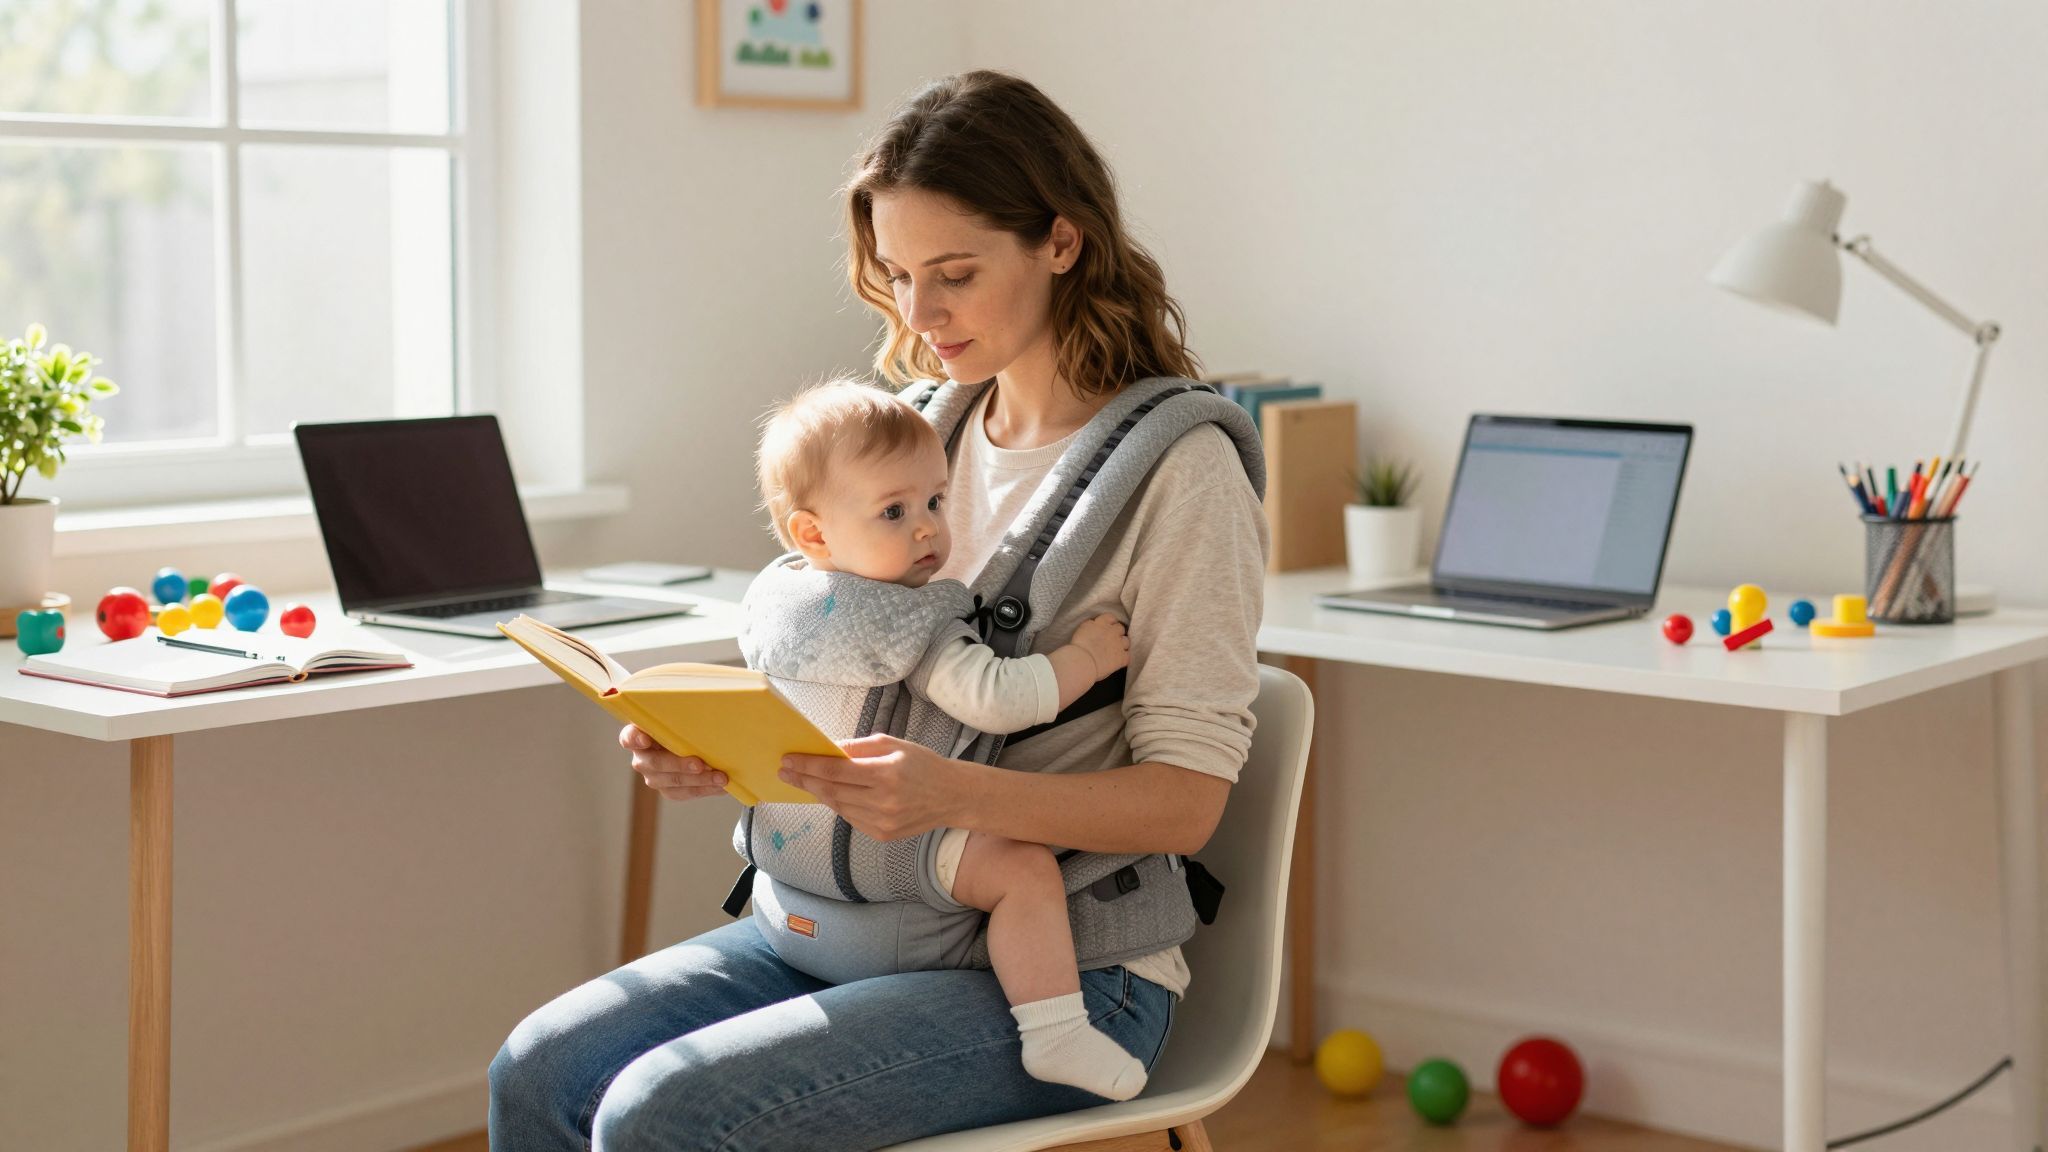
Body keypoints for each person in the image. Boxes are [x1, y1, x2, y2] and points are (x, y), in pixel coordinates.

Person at [489, 69, 1266, 1151]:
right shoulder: (908, 437)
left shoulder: (1181, 475)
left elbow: (1185, 807)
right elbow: (847, 681)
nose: (917, 314)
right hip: (839, 922)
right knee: (536, 1073)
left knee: (669, 1116)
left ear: (1061, 242)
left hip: (1058, 970)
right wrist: (723, 753)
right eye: (897, 274)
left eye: (953, 273)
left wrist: (951, 791)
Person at [744, 378, 1146, 1101]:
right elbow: (997, 697)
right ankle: (1054, 1028)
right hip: (900, 842)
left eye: (935, 500)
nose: (928, 528)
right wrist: (1082, 661)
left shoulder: (777, 606)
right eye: (894, 511)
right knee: (1023, 872)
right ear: (812, 533)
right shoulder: (913, 621)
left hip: (797, 857)